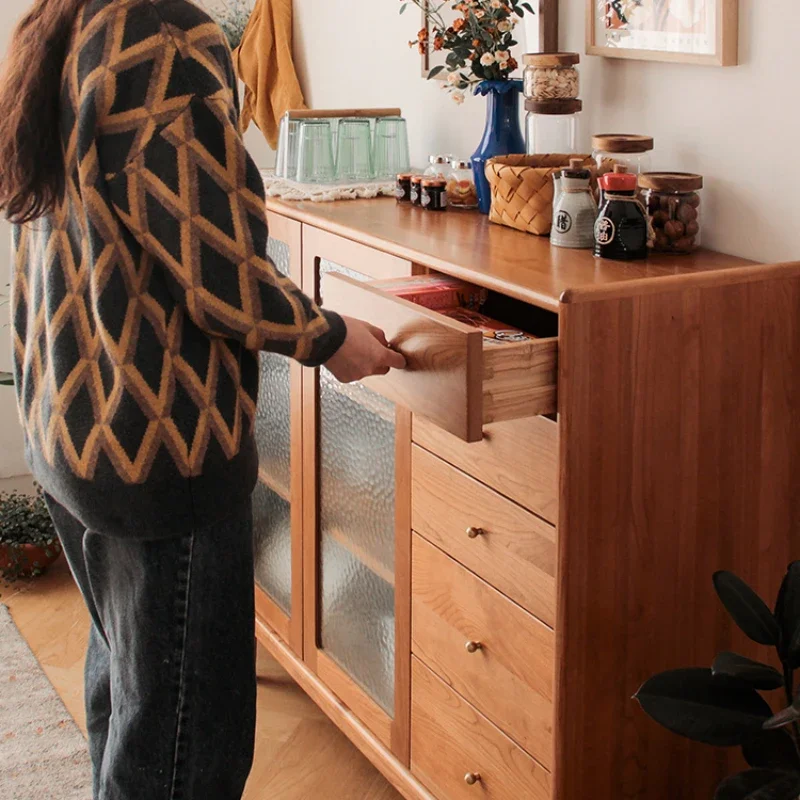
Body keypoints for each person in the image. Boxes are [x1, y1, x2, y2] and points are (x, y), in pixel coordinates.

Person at [0, 1, 405, 798]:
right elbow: (217, 266)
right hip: (156, 447)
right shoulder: (158, 35)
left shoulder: (76, 22)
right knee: (184, 749)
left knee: (131, 696)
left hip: (72, 431)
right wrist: (331, 336)